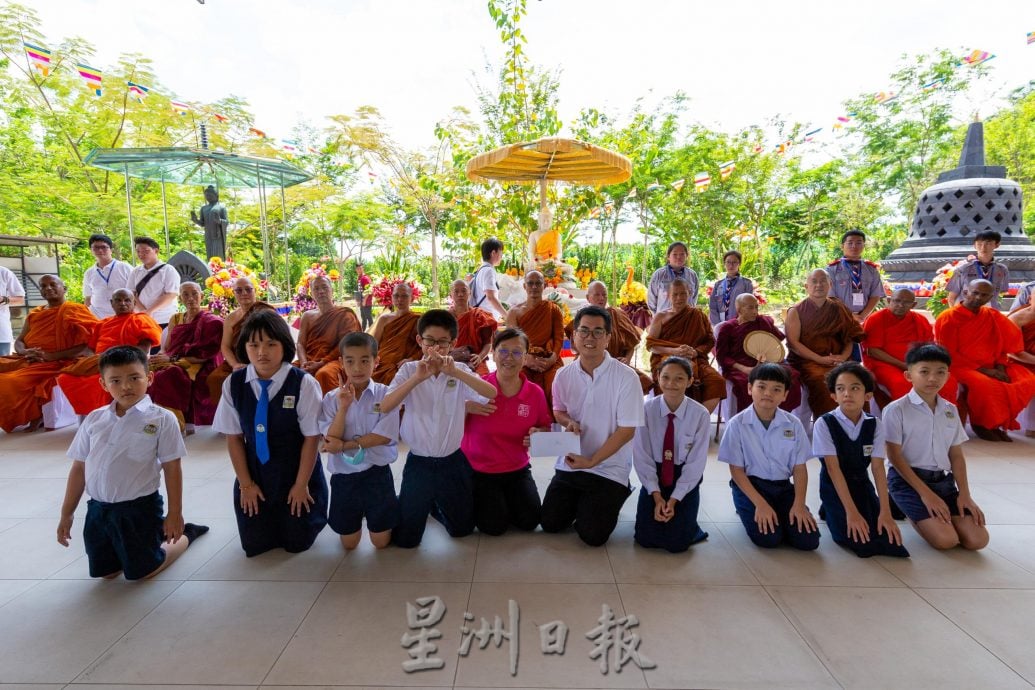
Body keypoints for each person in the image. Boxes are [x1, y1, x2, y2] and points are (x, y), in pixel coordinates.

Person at [56, 346, 208, 579]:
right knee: (106, 573)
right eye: (115, 380)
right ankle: (138, 546)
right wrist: (66, 513)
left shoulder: (161, 419)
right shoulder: (94, 419)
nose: (126, 386)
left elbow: (172, 467)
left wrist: (175, 513)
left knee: (143, 572)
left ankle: (187, 534)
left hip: (139, 509)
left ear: (149, 378)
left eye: (134, 378)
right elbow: (79, 468)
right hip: (99, 509)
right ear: (103, 384)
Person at [212, 310, 329, 557]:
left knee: (297, 542)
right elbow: (233, 438)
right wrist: (246, 485)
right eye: (253, 345)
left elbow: (311, 438)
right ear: (245, 347)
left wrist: (301, 485)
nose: (262, 352)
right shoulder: (234, 383)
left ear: (284, 345)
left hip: (294, 471)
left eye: (270, 344)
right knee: (254, 545)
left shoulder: (303, 383)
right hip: (255, 474)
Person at [379, 309, 498, 547]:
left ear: (453, 343)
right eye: (430, 341)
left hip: (452, 462)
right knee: (407, 540)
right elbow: (385, 406)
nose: (436, 348)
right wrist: (417, 379)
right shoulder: (409, 371)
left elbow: (491, 393)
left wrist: (454, 371)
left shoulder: (459, 371)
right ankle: (417, 500)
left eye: (443, 343)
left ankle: (433, 504)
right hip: (419, 463)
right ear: (419, 341)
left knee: (461, 530)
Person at [540, 305, 645, 546]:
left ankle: (614, 493)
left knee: (592, 536)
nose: (590, 338)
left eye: (598, 332)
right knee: (551, 524)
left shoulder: (626, 377)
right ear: (574, 336)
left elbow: (627, 430)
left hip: (608, 467)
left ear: (608, 338)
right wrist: (568, 422)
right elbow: (559, 411)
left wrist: (593, 461)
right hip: (572, 463)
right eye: (584, 331)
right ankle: (585, 501)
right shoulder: (563, 376)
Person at [883, 344, 989, 551]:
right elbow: (894, 456)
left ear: (948, 376)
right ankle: (908, 509)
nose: (932, 379)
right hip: (907, 481)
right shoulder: (896, 410)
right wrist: (926, 495)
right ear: (908, 375)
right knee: (946, 540)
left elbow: (956, 455)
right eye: (924, 372)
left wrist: (965, 494)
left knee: (978, 540)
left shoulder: (950, 410)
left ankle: (940, 516)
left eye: (940, 372)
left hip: (942, 481)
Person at [718, 363, 820, 550]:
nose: (768, 393)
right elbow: (737, 471)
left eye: (776, 389)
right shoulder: (737, 424)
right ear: (750, 388)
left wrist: (799, 504)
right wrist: (760, 504)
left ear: (785, 395)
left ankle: (783, 513)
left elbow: (799, 468)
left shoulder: (793, 423)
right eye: (761, 386)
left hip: (782, 487)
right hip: (751, 486)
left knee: (808, 541)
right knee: (769, 539)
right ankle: (746, 507)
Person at [811, 362, 909, 558]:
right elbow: (833, 469)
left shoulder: (875, 424)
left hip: (861, 484)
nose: (847, 393)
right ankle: (830, 509)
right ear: (833, 395)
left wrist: (885, 511)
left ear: (868, 395)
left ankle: (836, 510)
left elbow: (878, 468)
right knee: (855, 540)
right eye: (841, 389)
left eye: (854, 388)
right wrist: (852, 513)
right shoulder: (825, 423)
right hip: (834, 485)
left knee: (891, 543)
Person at [461, 328, 552, 535]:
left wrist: (538, 433)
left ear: (526, 357)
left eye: (517, 352)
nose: (509, 358)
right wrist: (464, 407)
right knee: (493, 527)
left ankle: (503, 500)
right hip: (480, 470)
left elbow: (545, 427)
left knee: (529, 521)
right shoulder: (478, 388)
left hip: (516, 469)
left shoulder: (534, 393)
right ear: (493, 353)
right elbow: (447, 424)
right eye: (503, 351)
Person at [319, 332, 401, 550]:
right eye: (350, 361)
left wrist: (346, 446)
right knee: (349, 543)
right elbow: (331, 439)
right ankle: (363, 516)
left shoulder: (386, 395)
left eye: (365, 360)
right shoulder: (331, 399)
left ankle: (385, 510)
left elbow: (384, 436)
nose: (357, 368)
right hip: (344, 477)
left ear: (376, 361)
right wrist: (344, 407)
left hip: (377, 473)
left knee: (380, 542)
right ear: (341, 363)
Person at [934, 279, 1035, 441]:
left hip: (993, 365)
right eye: (975, 293)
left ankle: (997, 424)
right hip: (960, 366)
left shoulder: (992, 316)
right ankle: (982, 424)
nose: (978, 297)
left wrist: (1001, 367)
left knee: (1024, 380)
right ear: (966, 292)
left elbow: (1003, 346)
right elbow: (948, 353)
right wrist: (986, 371)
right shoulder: (948, 317)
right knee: (985, 384)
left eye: (984, 295)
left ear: (990, 297)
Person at [0, 275, 97, 432]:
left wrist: (50, 356)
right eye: (43, 286)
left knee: (10, 381)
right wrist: (25, 351)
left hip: (59, 361)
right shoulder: (35, 313)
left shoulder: (76, 310)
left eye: (53, 284)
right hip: (28, 358)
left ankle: (33, 414)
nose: (48, 288)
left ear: (64, 289)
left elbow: (89, 345)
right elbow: (19, 341)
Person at [633, 356, 710, 553]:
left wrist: (675, 499)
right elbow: (643, 456)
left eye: (679, 379)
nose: (671, 384)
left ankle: (688, 523)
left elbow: (695, 464)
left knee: (677, 544)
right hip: (656, 476)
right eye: (665, 377)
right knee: (645, 539)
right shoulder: (646, 410)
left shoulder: (700, 414)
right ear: (657, 377)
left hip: (683, 478)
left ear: (690, 381)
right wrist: (657, 496)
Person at [55, 288, 162, 416]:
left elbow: (144, 351)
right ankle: (90, 416)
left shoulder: (142, 320)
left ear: (134, 303)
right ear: (112, 303)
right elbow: (90, 349)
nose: (123, 303)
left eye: (127, 300)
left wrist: (115, 357)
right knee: (65, 377)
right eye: (118, 300)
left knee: (101, 382)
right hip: (99, 362)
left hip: (125, 362)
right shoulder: (103, 324)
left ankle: (107, 416)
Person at [785, 269, 864, 416]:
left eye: (823, 281)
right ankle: (827, 427)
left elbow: (849, 337)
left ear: (830, 284)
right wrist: (820, 359)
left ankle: (858, 427)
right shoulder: (796, 311)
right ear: (806, 286)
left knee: (858, 379)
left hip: (839, 359)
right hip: (808, 362)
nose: (819, 285)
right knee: (824, 382)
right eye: (814, 281)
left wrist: (843, 357)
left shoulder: (838, 307)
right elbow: (794, 344)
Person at [149, 282, 224, 432]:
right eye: (185, 294)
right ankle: (150, 421)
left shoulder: (212, 321)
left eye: (194, 293)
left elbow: (205, 355)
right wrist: (158, 359)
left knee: (168, 375)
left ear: (201, 296)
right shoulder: (176, 319)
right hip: (173, 358)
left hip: (197, 364)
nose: (190, 298)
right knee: (143, 372)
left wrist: (171, 360)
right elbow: (166, 348)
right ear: (180, 298)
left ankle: (175, 425)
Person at [863, 288, 957, 404]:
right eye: (896, 301)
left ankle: (942, 417)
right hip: (885, 364)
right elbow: (873, 351)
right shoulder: (876, 319)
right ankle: (908, 419)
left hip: (916, 364)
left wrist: (920, 365)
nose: (901, 305)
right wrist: (903, 365)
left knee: (948, 383)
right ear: (888, 300)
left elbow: (928, 347)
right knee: (901, 383)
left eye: (906, 302)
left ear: (914, 304)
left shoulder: (920, 320)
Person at [646, 278, 726, 412]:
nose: (679, 298)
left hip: (696, 359)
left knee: (717, 381)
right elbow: (651, 345)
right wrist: (675, 351)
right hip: (666, 360)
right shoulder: (661, 316)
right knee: (671, 382)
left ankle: (698, 421)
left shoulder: (698, 315)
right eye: (675, 294)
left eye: (683, 294)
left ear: (689, 293)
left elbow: (709, 340)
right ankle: (671, 420)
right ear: (668, 296)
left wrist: (696, 352)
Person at [715, 293, 801, 413]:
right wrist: (745, 369)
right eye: (750, 308)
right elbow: (722, 356)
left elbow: (777, 338)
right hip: (741, 366)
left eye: (756, 307)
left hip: (769, 361)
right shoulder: (728, 328)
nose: (755, 311)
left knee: (791, 375)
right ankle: (751, 417)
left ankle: (780, 415)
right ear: (739, 309)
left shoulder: (762, 321)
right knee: (746, 382)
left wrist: (768, 348)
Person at [569, 281, 653, 392]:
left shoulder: (617, 315)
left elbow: (631, 343)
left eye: (604, 295)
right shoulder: (581, 318)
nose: (601, 298)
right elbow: (577, 348)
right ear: (588, 297)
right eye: (597, 295)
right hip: (588, 367)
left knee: (644, 382)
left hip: (616, 365)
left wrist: (627, 359)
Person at [206, 277, 276, 406]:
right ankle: (229, 417)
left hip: (262, 358)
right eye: (239, 290)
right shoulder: (231, 318)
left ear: (255, 291)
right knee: (215, 378)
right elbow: (225, 346)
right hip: (237, 361)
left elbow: (275, 341)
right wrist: (235, 365)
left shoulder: (266, 312)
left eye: (248, 290)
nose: (244, 293)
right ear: (233, 294)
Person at [505, 270, 564, 410]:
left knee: (556, 384)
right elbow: (511, 343)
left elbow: (558, 338)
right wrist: (526, 360)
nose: (534, 287)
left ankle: (553, 424)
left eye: (538, 283)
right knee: (521, 385)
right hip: (523, 360)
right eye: (530, 283)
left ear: (544, 286)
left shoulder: (553, 309)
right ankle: (525, 423)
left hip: (549, 359)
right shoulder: (514, 313)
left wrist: (551, 360)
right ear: (524, 286)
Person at [297, 275, 362, 393]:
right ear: (311, 293)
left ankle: (332, 410)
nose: (321, 291)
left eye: (324, 287)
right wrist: (303, 364)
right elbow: (300, 343)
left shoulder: (344, 314)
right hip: (310, 359)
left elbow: (346, 345)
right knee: (289, 372)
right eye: (316, 289)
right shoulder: (307, 316)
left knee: (324, 374)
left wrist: (321, 362)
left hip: (336, 359)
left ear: (332, 290)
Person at [825, 229, 885, 324]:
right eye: (850, 243)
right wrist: (850, 316)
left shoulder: (871, 269)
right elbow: (830, 297)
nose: (854, 246)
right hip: (839, 318)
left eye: (858, 243)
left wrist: (862, 317)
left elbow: (875, 295)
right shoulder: (832, 269)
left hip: (863, 319)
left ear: (863, 246)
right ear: (842, 246)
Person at [371, 282, 422, 384]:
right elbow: (374, 345)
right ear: (392, 297)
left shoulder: (418, 320)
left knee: (394, 379)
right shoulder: (384, 319)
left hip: (403, 364)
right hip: (381, 363)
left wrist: (412, 359)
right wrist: (372, 360)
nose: (400, 299)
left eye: (404, 296)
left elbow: (426, 345)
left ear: (411, 298)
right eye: (396, 296)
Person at [946, 230, 1010, 310]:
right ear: (974, 246)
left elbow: (1000, 292)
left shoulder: (1002, 269)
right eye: (979, 244)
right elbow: (951, 298)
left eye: (988, 243)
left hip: (990, 313)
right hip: (967, 313)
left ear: (997, 245)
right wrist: (956, 315)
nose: (983, 247)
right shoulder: (963, 269)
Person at [448, 279, 497, 376]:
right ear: (451, 295)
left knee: (483, 381)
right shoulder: (445, 317)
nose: (460, 294)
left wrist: (480, 357)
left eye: (464, 290)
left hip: (474, 360)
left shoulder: (480, 316)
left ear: (470, 294)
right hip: (451, 360)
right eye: (456, 291)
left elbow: (488, 344)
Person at [130, 237, 180, 329]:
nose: (141, 254)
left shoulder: (168, 270)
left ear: (156, 251)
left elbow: (171, 295)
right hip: (142, 319)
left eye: (146, 251)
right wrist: (143, 312)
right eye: (138, 251)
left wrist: (150, 311)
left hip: (165, 319)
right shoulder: (136, 271)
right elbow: (131, 294)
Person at [82, 233, 132, 320]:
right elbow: (88, 297)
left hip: (122, 316)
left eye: (104, 247)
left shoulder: (125, 268)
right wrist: (87, 317)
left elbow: (135, 293)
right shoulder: (89, 273)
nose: (100, 250)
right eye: (96, 248)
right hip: (97, 317)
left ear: (111, 250)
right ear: (91, 250)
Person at [647, 241, 699, 314]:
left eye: (682, 254)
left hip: (686, 320)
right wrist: (658, 319)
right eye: (675, 254)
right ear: (668, 256)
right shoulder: (659, 275)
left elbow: (694, 299)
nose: (679, 257)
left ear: (687, 256)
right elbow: (651, 300)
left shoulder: (692, 275)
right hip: (665, 322)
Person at [708, 250, 754, 325]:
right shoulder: (718, 285)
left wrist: (739, 322)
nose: (731, 265)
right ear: (724, 264)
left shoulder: (747, 284)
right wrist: (718, 325)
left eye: (734, 262)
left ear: (739, 264)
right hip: (720, 325)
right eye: (728, 262)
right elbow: (713, 306)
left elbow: (749, 306)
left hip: (740, 324)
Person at [470, 237, 507, 319]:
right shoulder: (489, 271)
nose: (501, 257)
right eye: (501, 254)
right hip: (487, 318)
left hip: (482, 316)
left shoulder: (481, 270)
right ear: (493, 253)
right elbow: (490, 297)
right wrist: (506, 316)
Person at [190, 185, 229, 260]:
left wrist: (220, 221)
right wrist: (195, 220)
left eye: (210, 195)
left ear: (216, 195)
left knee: (218, 255)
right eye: (206, 195)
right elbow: (202, 223)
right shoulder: (204, 208)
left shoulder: (221, 207)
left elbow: (226, 222)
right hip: (208, 235)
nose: (208, 197)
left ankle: (220, 270)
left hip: (218, 236)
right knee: (210, 255)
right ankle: (211, 269)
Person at [0, 263, 26, 355]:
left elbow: (20, 299)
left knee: (2, 367)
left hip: (1, 333)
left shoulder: (4, 272)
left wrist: (4, 299)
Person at [355, 262, 374, 330]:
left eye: (360, 268)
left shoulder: (365, 278)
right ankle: (362, 332)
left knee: (369, 318)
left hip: (366, 302)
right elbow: (359, 290)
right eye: (357, 269)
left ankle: (372, 333)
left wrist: (364, 300)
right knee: (363, 318)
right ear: (356, 269)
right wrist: (358, 300)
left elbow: (369, 290)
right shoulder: (359, 278)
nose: (359, 270)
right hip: (362, 302)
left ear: (363, 268)